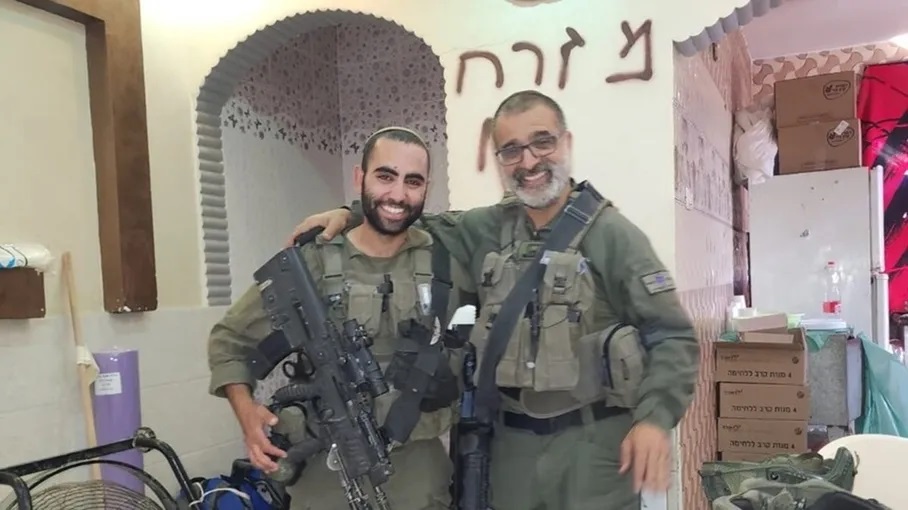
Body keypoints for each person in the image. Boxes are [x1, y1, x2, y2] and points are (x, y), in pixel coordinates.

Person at [288, 90, 699, 510]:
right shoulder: (486, 228)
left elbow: (672, 336)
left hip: (594, 448)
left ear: (566, 143)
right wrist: (351, 213)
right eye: (511, 150)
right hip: (510, 448)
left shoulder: (612, 235)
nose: (529, 161)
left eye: (542, 142)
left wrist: (655, 419)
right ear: (499, 159)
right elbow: (405, 214)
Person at [207, 126, 475, 510]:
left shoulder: (445, 260)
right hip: (326, 472)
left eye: (413, 181)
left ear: (426, 188)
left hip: (417, 472)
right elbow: (229, 340)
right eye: (385, 176)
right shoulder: (314, 260)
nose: (398, 194)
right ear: (359, 177)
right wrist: (247, 415)